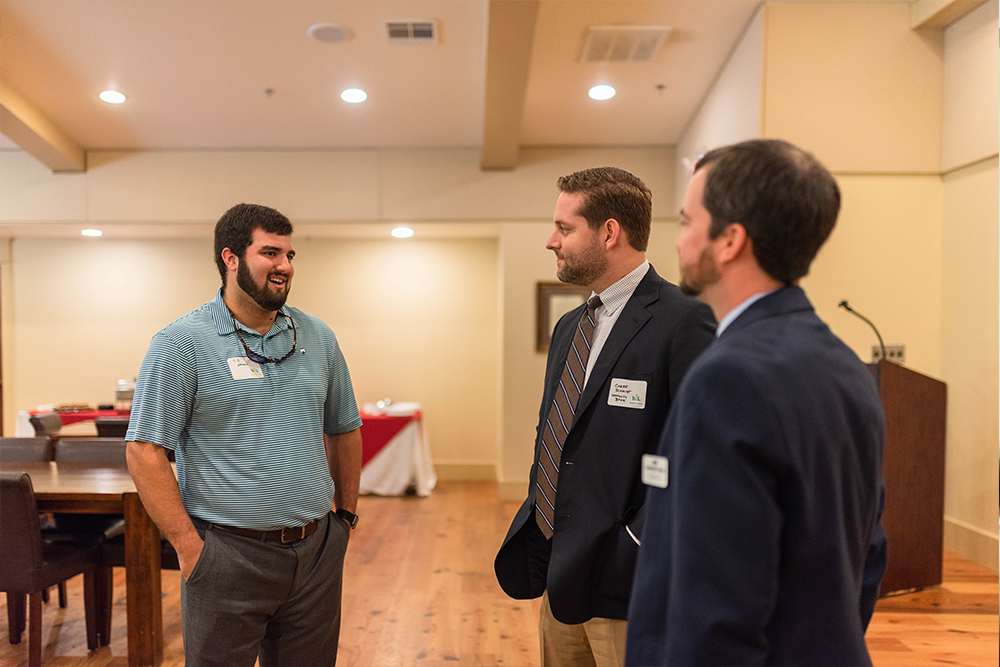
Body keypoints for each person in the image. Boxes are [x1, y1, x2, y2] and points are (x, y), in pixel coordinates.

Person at [625, 139, 888, 666]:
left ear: (730, 241)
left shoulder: (727, 378)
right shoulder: (846, 366)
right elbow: (868, 555)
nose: (677, 244)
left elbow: (714, 606)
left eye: (686, 223)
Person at [494, 167, 716, 667]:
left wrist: (635, 543)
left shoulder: (685, 320)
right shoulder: (572, 325)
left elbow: (698, 456)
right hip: (558, 569)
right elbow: (555, 436)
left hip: (627, 581)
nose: (551, 241)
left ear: (610, 232)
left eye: (565, 228)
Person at [125, 203, 363, 667]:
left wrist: (345, 519)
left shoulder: (318, 337)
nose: (285, 267)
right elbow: (144, 451)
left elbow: (345, 428)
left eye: (290, 255)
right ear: (230, 258)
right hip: (225, 557)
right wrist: (189, 548)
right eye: (270, 253)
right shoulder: (181, 343)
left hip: (316, 554)